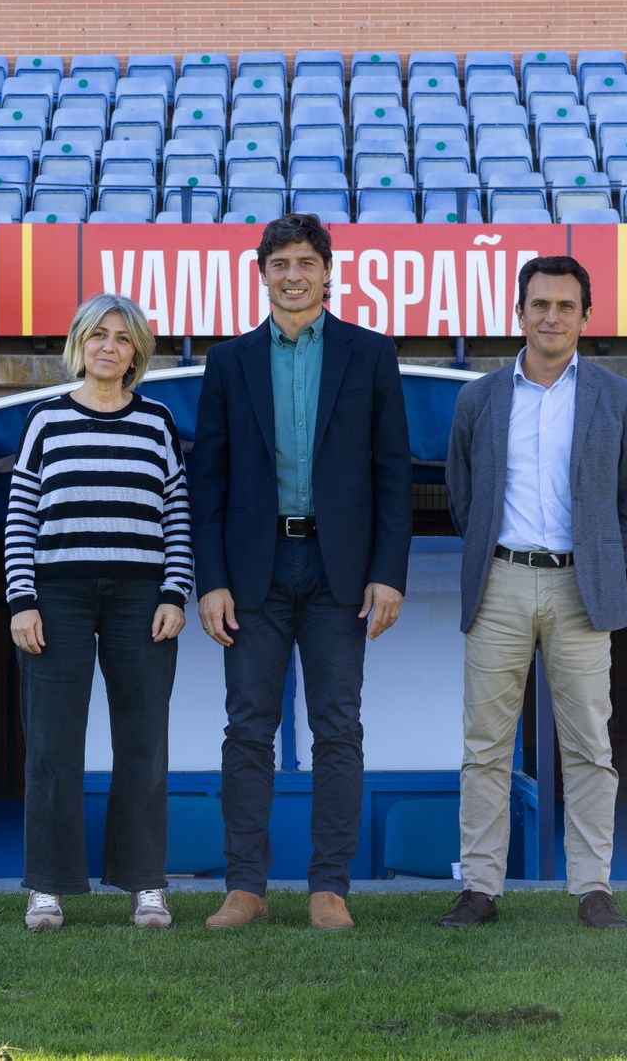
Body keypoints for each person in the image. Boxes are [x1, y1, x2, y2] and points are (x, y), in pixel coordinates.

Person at [190, 213, 413, 931]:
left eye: (305, 263)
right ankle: (245, 887)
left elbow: (392, 474)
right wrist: (211, 579)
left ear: (327, 272)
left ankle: (329, 889)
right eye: (279, 263)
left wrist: (389, 572)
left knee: (338, 728)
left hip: (338, 568)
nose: (293, 275)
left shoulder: (370, 354)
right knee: (247, 728)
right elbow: (210, 479)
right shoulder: (228, 363)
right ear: (263, 274)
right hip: (252, 570)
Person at [440, 255, 627, 931]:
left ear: (585, 317)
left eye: (565, 306)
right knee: (485, 745)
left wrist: (598, 562)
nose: (552, 316)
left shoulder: (617, 398)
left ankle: (592, 888)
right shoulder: (478, 398)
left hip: (580, 587)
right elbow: (460, 493)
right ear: (520, 312)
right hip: (499, 581)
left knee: (589, 744)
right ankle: (480, 889)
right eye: (540, 304)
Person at [5, 293, 191, 932]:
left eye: (121, 336)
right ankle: (47, 888)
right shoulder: (45, 420)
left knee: (143, 740)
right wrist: (21, 600)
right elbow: (21, 515)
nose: (108, 346)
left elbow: (177, 516)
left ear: (137, 349)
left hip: (142, 598)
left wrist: (175, 592)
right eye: (97, 335)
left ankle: (145, 885)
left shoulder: (158, 422)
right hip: (57, 594)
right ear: (79, 344)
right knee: (53, 744)